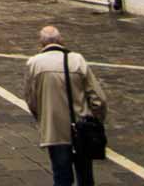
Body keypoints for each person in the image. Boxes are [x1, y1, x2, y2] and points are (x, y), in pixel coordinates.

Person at [24, 25, 108, 186]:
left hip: (54, 129)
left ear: (41, 43)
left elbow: (31, 99)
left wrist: (42, 119)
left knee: (61, 175)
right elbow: (98, 99)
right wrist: (97, 120)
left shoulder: (34, 63)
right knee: (85, 176)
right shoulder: (77, 60)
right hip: (82, 127)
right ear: (61, 40)